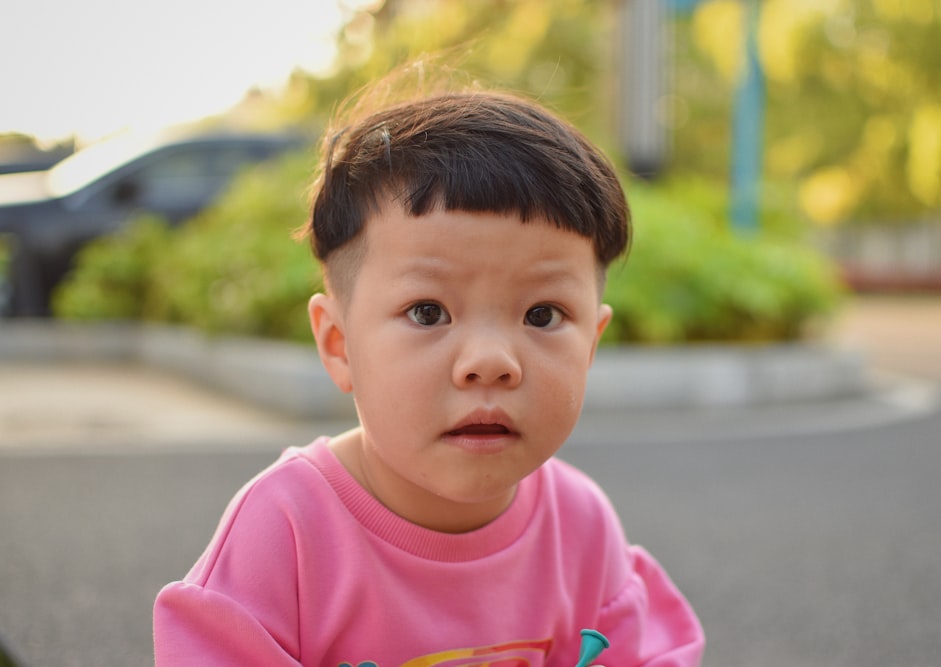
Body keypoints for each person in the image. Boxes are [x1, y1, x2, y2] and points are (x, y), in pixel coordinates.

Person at [153, 73, 704, 666]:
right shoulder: (285, 531)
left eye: (542, 314)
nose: (490, 362)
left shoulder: (582, 527)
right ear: (339, 345)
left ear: (591, 345)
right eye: (428, 311)